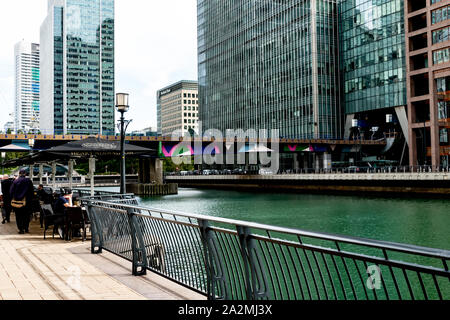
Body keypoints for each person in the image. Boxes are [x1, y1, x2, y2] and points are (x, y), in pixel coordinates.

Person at [9, 170, 34, 234]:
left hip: (17, 202)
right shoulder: (28, 181)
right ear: (25, 174)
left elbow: (11, 192)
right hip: (27, 202)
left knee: (18, 216)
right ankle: (26, 228)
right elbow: (32, 192)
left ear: (19, 174)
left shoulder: (15, 181)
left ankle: (21, 229)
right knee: (26, 215)